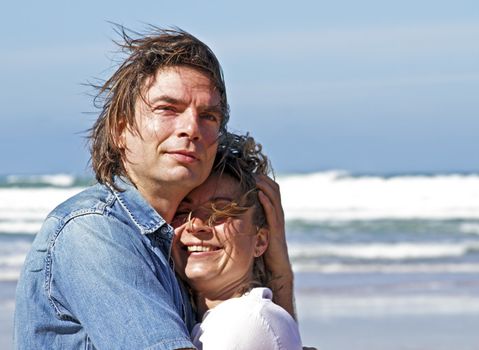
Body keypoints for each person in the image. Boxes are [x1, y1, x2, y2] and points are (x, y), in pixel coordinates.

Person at [14, 26, 294, 349]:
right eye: (167, 109)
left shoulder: (176, 252)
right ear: (121, 130)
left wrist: (279, 277)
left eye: (208, 116)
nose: (191, 128)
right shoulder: (93, 232)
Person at [171, 132, 302, 350]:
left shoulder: (246, 322)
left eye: (220, 210)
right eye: (183, 211)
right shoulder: (237, 318)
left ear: (260, 241)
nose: (196, 224)